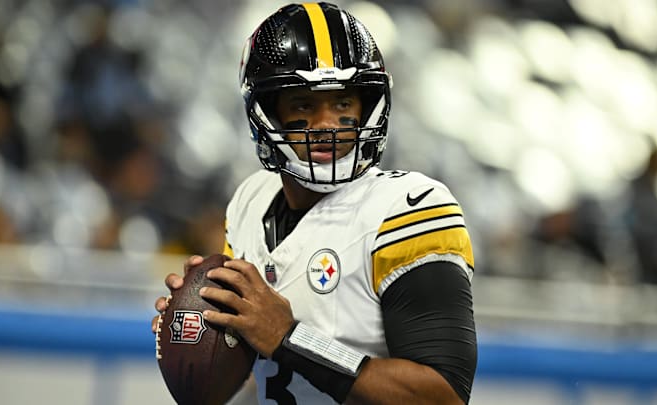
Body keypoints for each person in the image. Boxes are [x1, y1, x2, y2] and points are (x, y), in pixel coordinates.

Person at [152, 3, 477, 404]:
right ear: (267, 113)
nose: (326, 124)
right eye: (304, 105)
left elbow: (443, 397)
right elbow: (269, 374)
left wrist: (291, 339)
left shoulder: (409, 209)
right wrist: (205, 330)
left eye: (342, 104)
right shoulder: (249, 202)